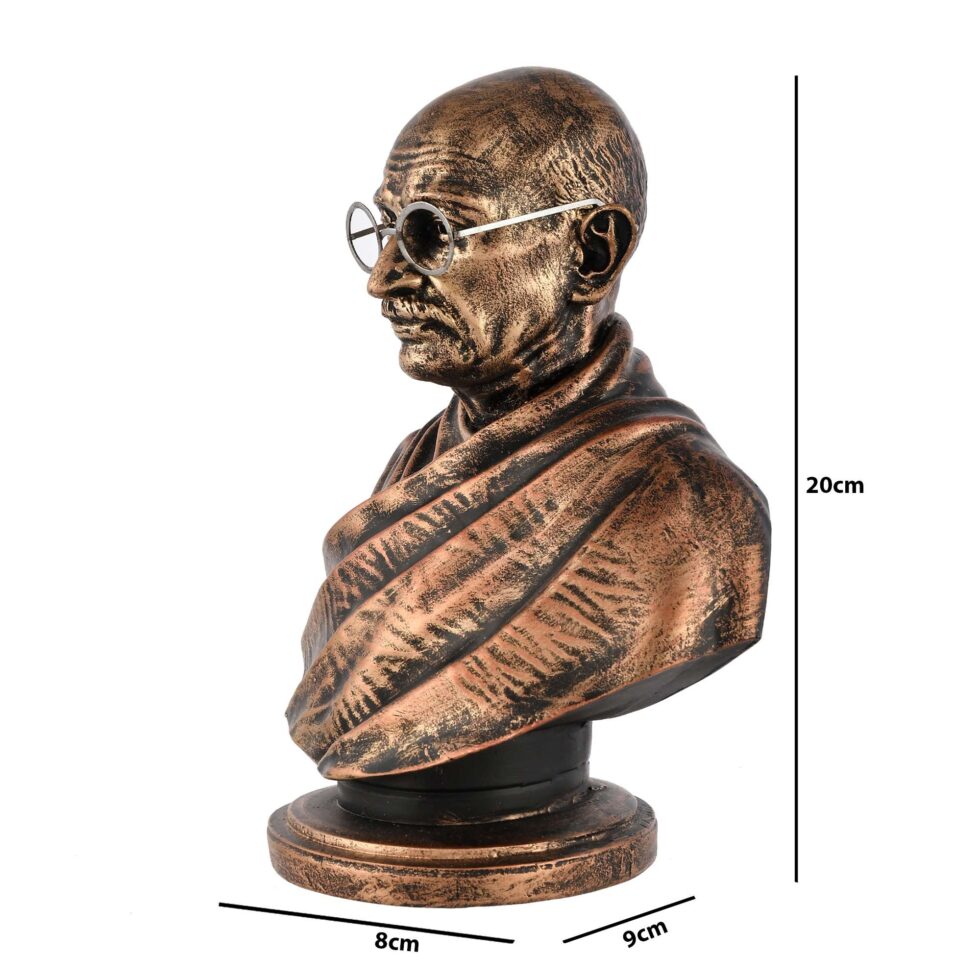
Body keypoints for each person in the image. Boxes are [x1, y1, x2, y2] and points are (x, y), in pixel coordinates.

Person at [288, 67, 770, 780]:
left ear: (592, 252)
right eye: (386, 227)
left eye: (433, 232)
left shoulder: (688, 505)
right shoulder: (417, 462)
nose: (382, 278)